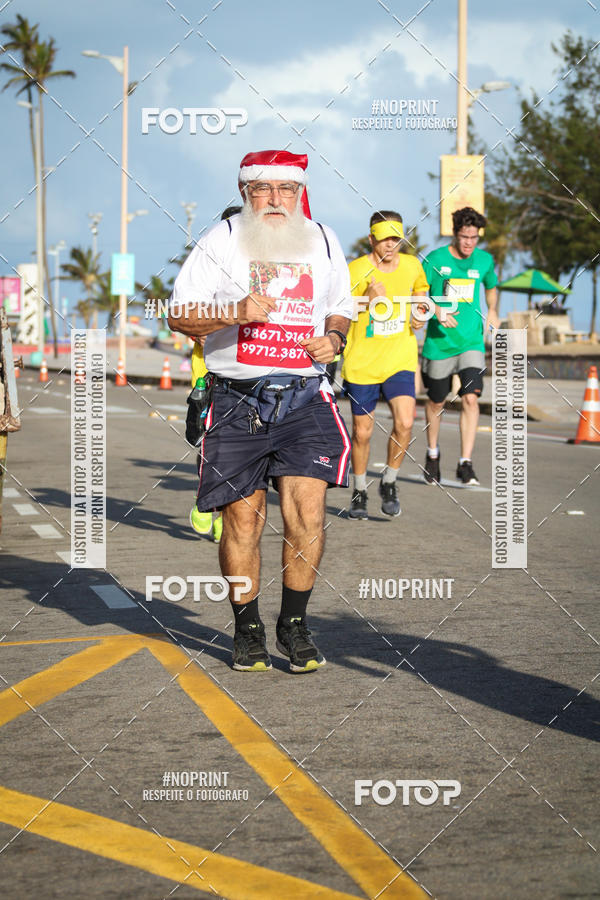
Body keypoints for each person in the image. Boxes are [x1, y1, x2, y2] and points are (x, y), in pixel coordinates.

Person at [168, 150, 352, 673]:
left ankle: (294, 624)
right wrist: (235, 312)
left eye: (285, 189)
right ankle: (247, 628)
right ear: (245, 192)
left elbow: (341, 306)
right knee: (243, 522)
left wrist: (335, 338)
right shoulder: (221, 240)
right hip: (236, 399)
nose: (275, 199)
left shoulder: (323, 239)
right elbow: (179, 314)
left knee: (308, 514)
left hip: (305, 396)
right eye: (263, 189)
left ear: (299, 193)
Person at [342, 211, 428, 519]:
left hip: (399, 357)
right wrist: (367, 297)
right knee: (362, 433)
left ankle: (389, 481)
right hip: (362, 362)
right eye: (384, 239)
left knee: (405, 423)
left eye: (396, 239)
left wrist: (420, 313)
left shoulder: (412, 265)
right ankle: (359, 490)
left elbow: (420, 292)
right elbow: (339, 312)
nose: (391, 245)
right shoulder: (355, 270)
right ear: (371, 239)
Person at [421, 207, 499, 486]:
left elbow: (491, 286)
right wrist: (435, 310)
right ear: (454, 234)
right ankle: (433, 454)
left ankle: (465, 463)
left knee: (470, 398)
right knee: (436, 401)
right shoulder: (435, 259)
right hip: (439, 343)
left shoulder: (485, 260)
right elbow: (418, 295)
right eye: (464, 237)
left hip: (471, 341)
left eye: (474, 237)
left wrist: (492, 310)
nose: (469, 243)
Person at [188, 206, 242, 543]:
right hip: (208, 374)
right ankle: (206, 498)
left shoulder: (263, 269)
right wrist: (198, 330)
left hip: (250, 372)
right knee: (210, 441)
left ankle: (224, 511)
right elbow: (182, 311)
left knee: (240, 448)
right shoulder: (205, 267)